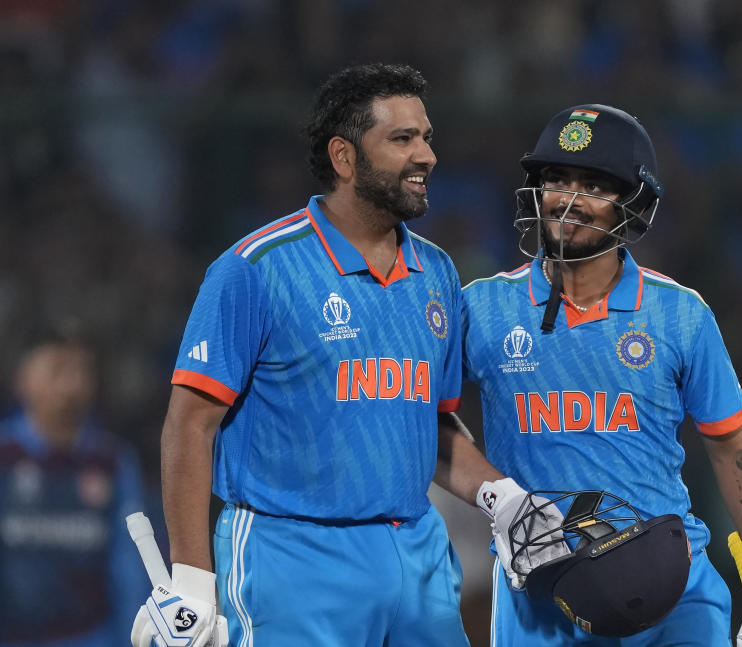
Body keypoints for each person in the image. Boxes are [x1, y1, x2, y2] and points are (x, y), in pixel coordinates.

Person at [131, 63, 486, 647]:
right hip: (291, 559)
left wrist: (505, 497)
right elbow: (190, 424)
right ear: (344, 158)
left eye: (426, 137)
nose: (427, 155)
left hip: (417, 553)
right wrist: (191, 581)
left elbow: (434, 427)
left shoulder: (439, 272)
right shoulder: (255, 268)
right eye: (402, 139)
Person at [436, 104, 742, 646]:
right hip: (542, 598)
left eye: (593, 184)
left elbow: (733, 448)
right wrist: (500, 498)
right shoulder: (481, 309)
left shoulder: (681, 314)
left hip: (675, 591)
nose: (568, 199)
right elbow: (421, 422)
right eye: (556, 178)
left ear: (632, 204)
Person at [0, 325, 149, 646]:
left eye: (82, 370)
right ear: (23, 379)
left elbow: (130, 564)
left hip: (90, 637)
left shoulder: (112, 461)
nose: (72, 384)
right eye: (58, 369)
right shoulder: (5, 457)